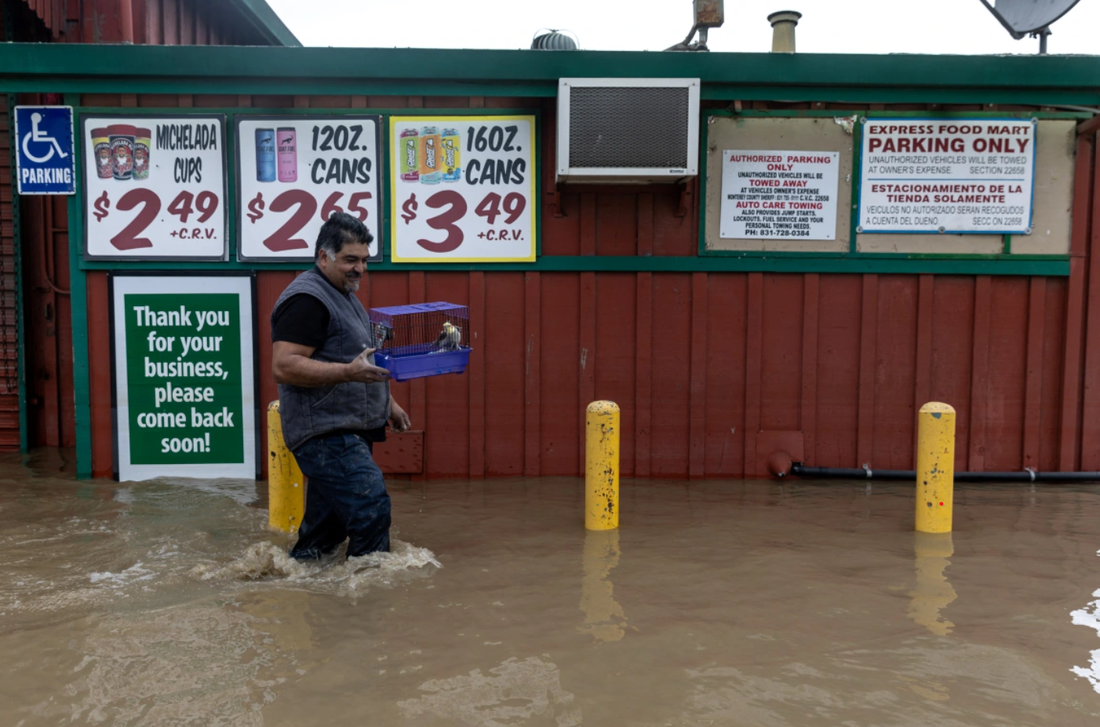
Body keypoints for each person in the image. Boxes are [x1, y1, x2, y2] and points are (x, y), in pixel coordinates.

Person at [270, 212, 411, 560]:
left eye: (364, 260)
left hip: (345, 427)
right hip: (325, 433)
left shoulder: (344, 294)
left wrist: (388, 403)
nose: (360, 269)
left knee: (324, 535)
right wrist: (348, 373)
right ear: (323, 256)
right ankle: (367, 597)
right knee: (371, 506)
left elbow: (356, 358)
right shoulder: (307, 299)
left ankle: (295, 585)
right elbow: (284, 365)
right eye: (350, 259)